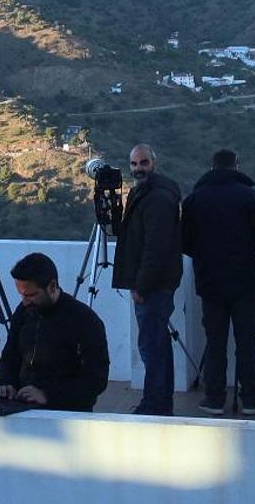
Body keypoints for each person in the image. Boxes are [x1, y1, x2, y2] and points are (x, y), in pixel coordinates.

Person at [182, 149, 255, 415]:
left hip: (210, 283)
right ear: (236, 166)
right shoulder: (248, 195)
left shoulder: (195, 199)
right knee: (247, 342)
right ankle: (252, 399)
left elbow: (184, 242)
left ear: (211, 168)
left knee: (215, 341)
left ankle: (214, 399)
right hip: (245, 282)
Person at [112, 143, 182, 415]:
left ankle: (154, 406)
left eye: (143, 163)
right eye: (133, 164)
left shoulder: (158, 198)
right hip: (156, 282)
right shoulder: (145, 193)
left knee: (152, 347)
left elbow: (155, 246)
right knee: (157, 345)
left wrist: (141, 285)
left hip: (154, 285)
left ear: (154, 163)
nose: (138, 168)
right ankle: (161, 404)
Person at [0, 252, 109, 412]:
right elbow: (10, 355)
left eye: (31, 295)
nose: (24, 301)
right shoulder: (24, 312)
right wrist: (7, 383)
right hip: (22, 405)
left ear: (52, 286)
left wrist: (47, 395)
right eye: (21, 295)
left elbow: (96, 380)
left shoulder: (85, 320)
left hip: (65, 412)